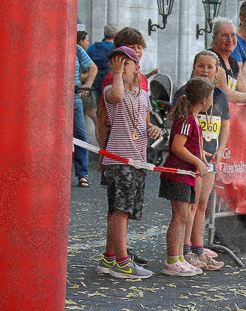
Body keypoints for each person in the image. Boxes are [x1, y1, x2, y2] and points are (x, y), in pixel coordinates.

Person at [97, 46, 160, 279]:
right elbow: (118, 96)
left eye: (125, 64)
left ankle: (109, 257)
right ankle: (122, 262)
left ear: (136, 67)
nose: (120, 68)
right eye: (115, 64)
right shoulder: (111, 89)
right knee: (120, 210)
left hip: (137, 160)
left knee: (124, 210)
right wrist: (115, 74)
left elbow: (144, 122)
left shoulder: (143, 94)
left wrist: (152, 128)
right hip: (118, 159)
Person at [173, 51, 228, 272]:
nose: (205, 70)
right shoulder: (184, 93)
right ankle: (185, 249)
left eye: (210, 67)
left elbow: (225, 125)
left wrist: (221, 149)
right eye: (200, 66)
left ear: (217, 71)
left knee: (203, 206)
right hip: (190, 160)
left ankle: (198, 248)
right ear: (194, 67)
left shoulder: (220, 96)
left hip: (210, 157)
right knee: (190, 205)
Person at [159, 78, 215, 276]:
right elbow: (176, 146)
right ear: (203, 100)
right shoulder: (187, 119)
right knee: (179, 217)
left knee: (183, 217)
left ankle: (180, 257)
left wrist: (200, 157)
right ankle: (172, 259)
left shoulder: (192, 118)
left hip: (188, 175)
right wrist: (197, 161)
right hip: (179, 174)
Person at [73, 29, 96, 188]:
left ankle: (83, 174)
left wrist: (86, 85)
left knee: (80, 134)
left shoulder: (77, 49)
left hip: (74, 98)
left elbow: (93, 68)